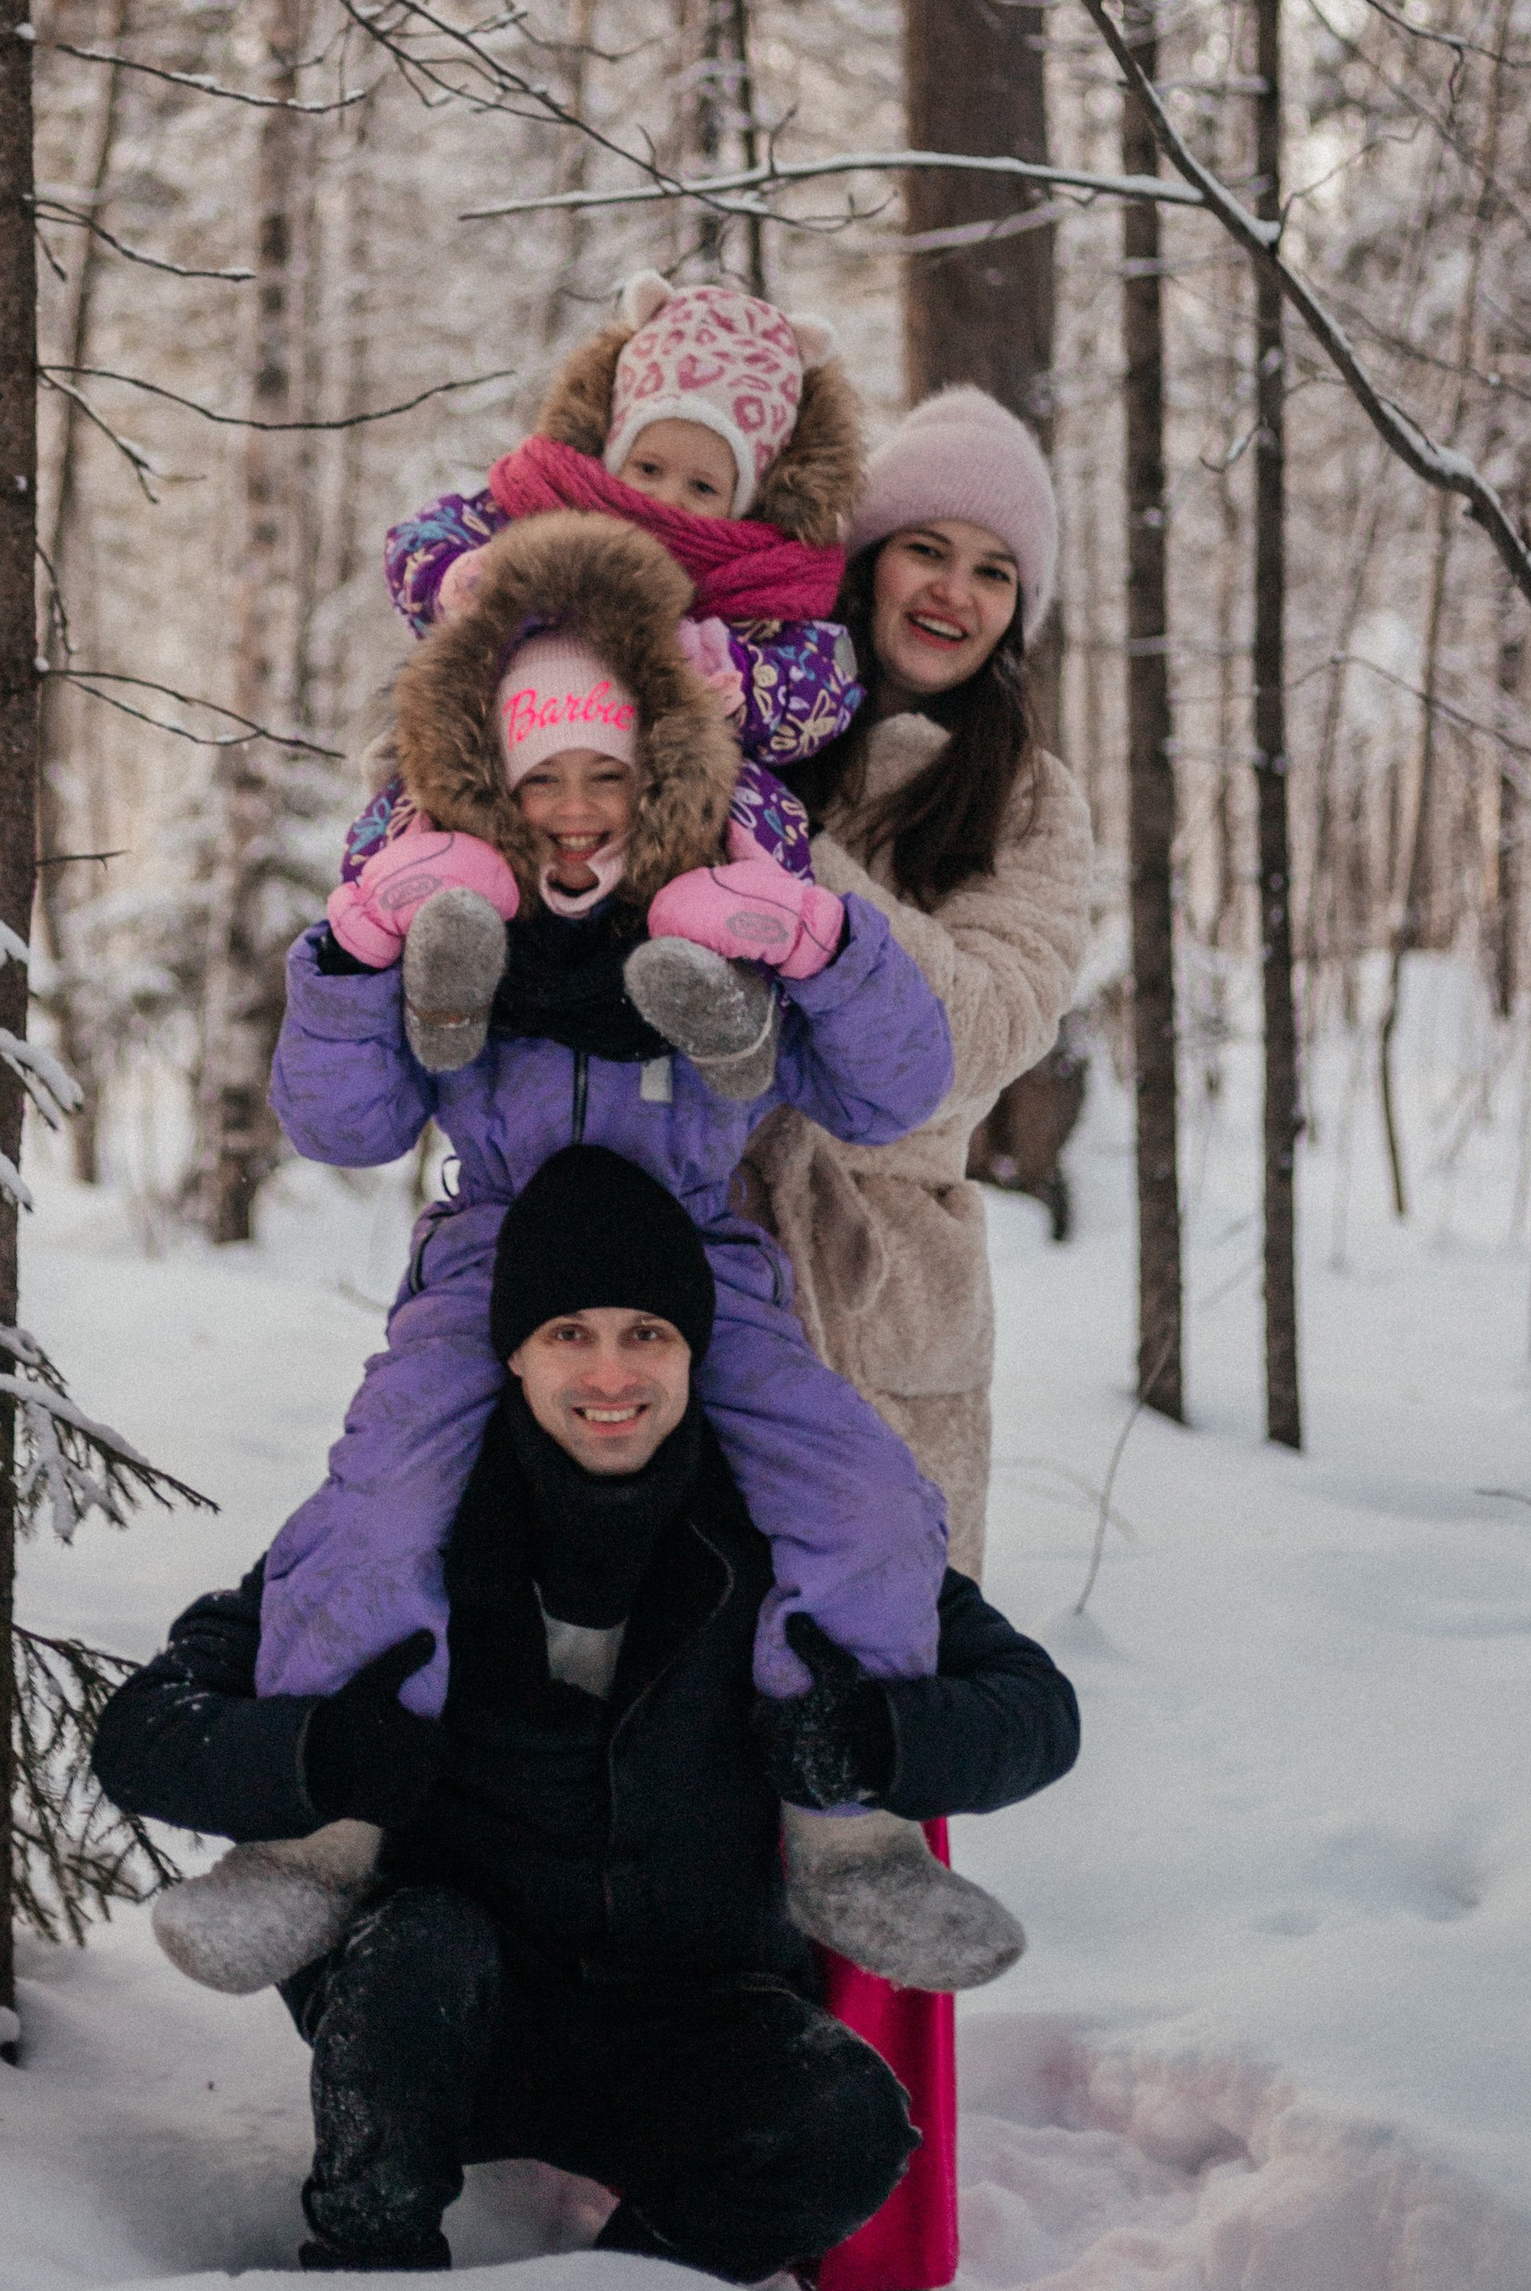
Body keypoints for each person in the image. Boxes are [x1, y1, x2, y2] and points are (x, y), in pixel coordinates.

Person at [151, 501, 1033, 2002]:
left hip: (698, 1259)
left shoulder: (730, 898)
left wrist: (822, 941)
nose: (573, 810)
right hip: (490, 1254)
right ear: (488, 782)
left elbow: (891, 1086)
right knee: (377, 1511)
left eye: (606, 775)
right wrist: (356, 955)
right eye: (538, 777)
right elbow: (341, 1123)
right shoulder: (446, 901)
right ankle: (313, 1845)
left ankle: (850, 1838)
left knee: (865, 1491)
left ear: (661, 771)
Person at [94, 1148, 1081, 2283]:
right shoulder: (394, 1536)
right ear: (510, 1349)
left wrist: (881, 1737)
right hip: (446, 2015)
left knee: (844, 2122)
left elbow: (1035, 1706)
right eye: (568, 1332)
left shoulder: (796, 1541)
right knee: (417, 1953)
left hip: (687, 2012)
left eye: (646, 1333)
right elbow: (146, 1724)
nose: (609, 1372)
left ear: (695, 1350)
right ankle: (369, 2265)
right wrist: (316, 1755)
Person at [756, 385, 1098, 2291]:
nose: (957, 592)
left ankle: (875, 2247)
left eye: (995, 570)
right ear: (864, 554)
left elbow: (952, 1055)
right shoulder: (750, 717)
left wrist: (784, 884)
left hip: (879, 1326)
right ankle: (658, 2202)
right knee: (672, 1764)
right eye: (929, 548)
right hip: (688, 1304)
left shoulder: (1025, 806)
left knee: (859, 1769)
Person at [345, 268, 867, 1091]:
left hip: (677, 797)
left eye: (704, 485)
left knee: (760, 816)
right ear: (614, 445)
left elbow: (828, 685)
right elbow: (422, 535)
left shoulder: (768, 578)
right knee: (420, 789)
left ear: (751, 492)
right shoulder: (539, 500)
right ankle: (433, 946)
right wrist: (464, 577)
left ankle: (730, 988)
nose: (667, 500)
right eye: (648, 466)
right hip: (529, 760)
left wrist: (744, 675)